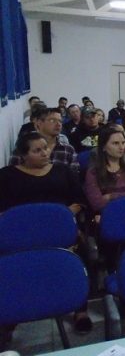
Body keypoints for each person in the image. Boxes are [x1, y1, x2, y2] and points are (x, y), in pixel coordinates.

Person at [0, 132, 91, 334]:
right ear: (23, 155)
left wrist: (57, 218)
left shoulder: (63, 171)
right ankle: (9, 314)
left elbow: (79, 201)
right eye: (37, 150)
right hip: (22, 235)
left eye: (45, 148)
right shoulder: (6, 176)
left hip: (59, 232)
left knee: (82, 253)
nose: (45, 153)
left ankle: (81, 310)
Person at [84, 127, 125, 272]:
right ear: (103, 147)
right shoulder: (93, 173)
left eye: (123, 142)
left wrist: (111, 196)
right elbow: (97, 203)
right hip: (107, 219)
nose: (121, 147)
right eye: (115, 143)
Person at [9, 108, 79, 173]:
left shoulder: (68, 150)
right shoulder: (24, 146)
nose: (58, 124)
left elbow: (74, 176)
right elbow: (11, 174)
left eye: (60, 121)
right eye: (52, 120)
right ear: (40, 123)